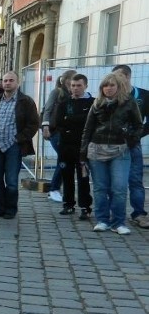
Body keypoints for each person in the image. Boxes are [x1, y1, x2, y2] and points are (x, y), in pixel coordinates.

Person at [81, 73, 143, 235]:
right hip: (96, 149)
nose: (108, 88)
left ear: (118, 87)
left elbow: (138, 125)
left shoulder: (129, 103)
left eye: (112, 85)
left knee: (119, 187)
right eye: (105, 85)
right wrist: (83, 153)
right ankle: (102, 220)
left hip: (120, 150)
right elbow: (88, 129)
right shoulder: (97, 103)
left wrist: (129, 140)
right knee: (100, 187)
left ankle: (118, 222)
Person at [0, 71, 39, 219]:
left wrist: (19, 138)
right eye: (5, 80)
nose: (7, 83)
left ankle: (10, 209)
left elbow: (33, 123)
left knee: (12, 181)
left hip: (13, 146)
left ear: (17, 83)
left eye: (11, 80)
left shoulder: (26, 101)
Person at [50, 73, 93, 220]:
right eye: (73, 86)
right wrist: (77, 121)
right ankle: (68, 204)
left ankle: (85, 207)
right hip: (66, 147)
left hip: (83, 148)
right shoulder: (64, 103)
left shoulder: (92, 103)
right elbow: (58, 123)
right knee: (67, 177)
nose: (75, 88)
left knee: (83, 178)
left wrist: (72, 120)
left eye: (79, 85)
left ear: (85, 86)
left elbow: (90, 122)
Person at [111, 64, 149, 228]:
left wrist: (135, 136)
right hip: (111, 145)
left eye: (117, 77)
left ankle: (139, 213)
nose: (113, 82)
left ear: (126, 76)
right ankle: (112, 214)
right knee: (114, 182)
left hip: (133, 145)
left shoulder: (144, 96)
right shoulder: (110, 95)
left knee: (135, 180)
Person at [41, 69, 77, 203]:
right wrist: (45, 127)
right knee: (64, 159)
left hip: (69, 132)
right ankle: (54, 188)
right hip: (55, 131)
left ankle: (56, 188)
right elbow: (47, 109)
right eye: (72, 79)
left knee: (64, 159)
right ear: (66, 80)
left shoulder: (74, 94)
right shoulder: (57, 92)